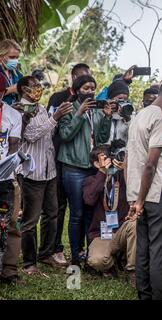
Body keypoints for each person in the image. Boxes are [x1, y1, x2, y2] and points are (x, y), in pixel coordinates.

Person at [126, 78, 162, 300]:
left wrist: (135, 198)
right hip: (157, 193)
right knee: (160, 254)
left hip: (138, 191)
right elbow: (150, 164)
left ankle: (145, 296)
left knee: (143, 251)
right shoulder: (161, 119)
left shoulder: (139, 116)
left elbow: (134, 157)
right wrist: (141, 200)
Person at [16, 76, 73, 274]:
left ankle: (46, 253)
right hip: (32, 172)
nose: (38, 90)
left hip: (49, 170)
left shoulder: (40, 108)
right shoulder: (20, 109)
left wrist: (55, 119)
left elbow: (48, 134)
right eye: (35, 86)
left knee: (52, 213)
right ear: (24, 89)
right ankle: (29, 263)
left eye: (40, 87)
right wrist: (54, 118)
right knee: (30, 221)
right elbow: (31, 135)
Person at [58, 75, 113, 265]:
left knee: (91, 211)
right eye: (86, 88)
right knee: (77, 213)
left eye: (92, 88)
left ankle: (89, 254)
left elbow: (102, 138)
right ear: (76, 90)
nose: (90, 91)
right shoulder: (68, 108)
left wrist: (106, 117)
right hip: (73, 168)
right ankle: (75, 255)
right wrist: (79, 114)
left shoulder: (96, 111)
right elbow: (65, 135)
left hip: (92, 167)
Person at [47, 63, 91, 265]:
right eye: (82, 79)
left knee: (84, 210)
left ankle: (83, 251)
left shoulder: (94, 107)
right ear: (74, 78)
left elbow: (98, 136)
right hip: (60, 159)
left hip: (86, 164)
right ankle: (55, 249)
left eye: (90, 81)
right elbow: (61, 132)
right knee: (60, 207)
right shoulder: (59, 98)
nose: (87, 85)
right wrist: (78, 113)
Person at [84, 146, 136, 282]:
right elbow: (89, 200)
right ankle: (114, 261)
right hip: (102, 234)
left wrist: (126, 169)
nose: (110, 161)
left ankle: (132, 272)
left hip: (121, 231)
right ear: (96, 163)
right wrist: (102, 172)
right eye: (105, 158)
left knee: (135, 225)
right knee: (97, 261)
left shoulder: (122, 177)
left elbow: (135, 189)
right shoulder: (91, 180)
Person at [0, 74, 22, 280]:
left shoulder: (12, 115)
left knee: (11, 221)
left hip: (5, 177)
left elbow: (14, 146)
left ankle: (9, 270)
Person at [105, 80, 132, 144]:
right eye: (119, 99)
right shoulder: (102, 113)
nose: (122, 102)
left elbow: (133, 137)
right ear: (110, 99)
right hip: (105, 152)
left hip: (123, 152)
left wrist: (127, 119)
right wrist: (107, 116)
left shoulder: (130, 116)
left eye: (125, 99)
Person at [0, 40, 23, 105]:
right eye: (12, 57)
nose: (15, 60)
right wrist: (11, 89)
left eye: (17, 57)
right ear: (1, 57)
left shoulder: (18, 74)